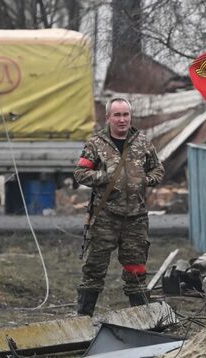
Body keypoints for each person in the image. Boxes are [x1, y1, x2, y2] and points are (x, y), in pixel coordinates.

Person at [73, 97, 164, 316]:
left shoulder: (143, 142)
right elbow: (80, 173)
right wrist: (106, 177)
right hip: (105, 217)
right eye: (117, 115)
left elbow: (158, 170)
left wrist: (145, 180)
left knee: (136, 271)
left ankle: (143, 321)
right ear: (108, 118)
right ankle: (83, 321)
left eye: (125, 115)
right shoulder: (96, 143)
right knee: (94, 270)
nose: (122, 120)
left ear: (130, 117)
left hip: (136, 218)